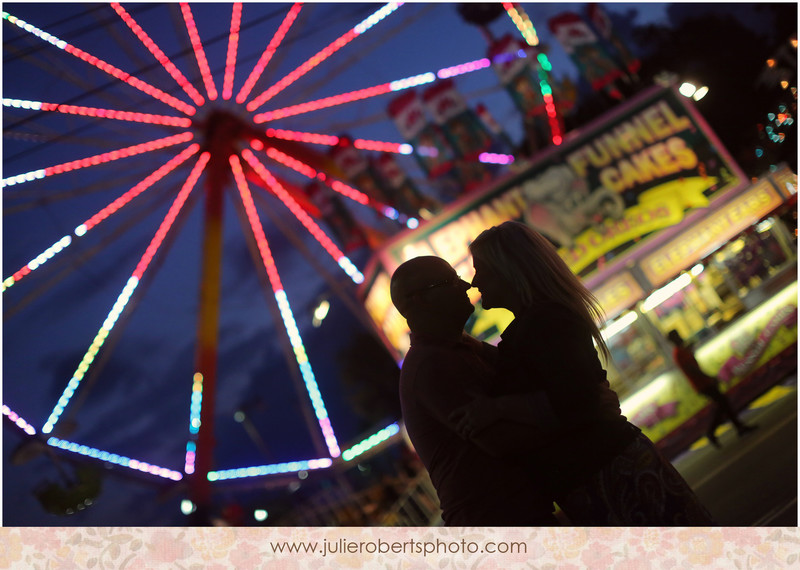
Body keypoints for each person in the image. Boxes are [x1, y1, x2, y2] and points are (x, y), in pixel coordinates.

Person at [456, 220, 714, 525]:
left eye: (482, 270)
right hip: (600, 472)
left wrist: (498, 408)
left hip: (609, 474)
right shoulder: (536, 324)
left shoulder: (548, 322)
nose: (475, 282)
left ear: (511, 271)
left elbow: (576, 400)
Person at [390, 255, 559, 526]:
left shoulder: (459, 348)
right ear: (419, 300)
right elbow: (503, 440)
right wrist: (571, 410)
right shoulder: (431, 366)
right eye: (450, 281)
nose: (467, 285)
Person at [667, 330, 757, 448]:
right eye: (677, 335)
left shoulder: (682, 350)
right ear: (674, 339)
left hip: (704, 382)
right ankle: (713, 431)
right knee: (723, 403)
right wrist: (708, 377)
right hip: (702, 384)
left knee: (723, 404)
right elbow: (692, 369)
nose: (680, 336)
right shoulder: (678, 353)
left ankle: (735, 427)